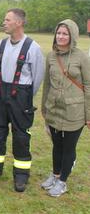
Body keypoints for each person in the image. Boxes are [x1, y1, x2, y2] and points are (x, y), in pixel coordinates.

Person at [0, 8, 44, 192]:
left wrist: (25, 98)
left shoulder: (33, 47)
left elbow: (37, 77)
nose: (4, 23)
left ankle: (21, 175)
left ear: (19, 23)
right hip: (1, 92)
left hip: (21, 96)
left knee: (21, 135)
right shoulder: (0, 45)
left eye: (7, 20)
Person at [40, 19, 90, 197]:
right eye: (59, 33)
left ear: (73, 36)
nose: (61, 37)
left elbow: (88, 85)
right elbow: (47, 84)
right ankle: (55, 175)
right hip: (54, 109)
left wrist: (88, 115)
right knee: (57, 146)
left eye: (65, 34)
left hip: (74, 111)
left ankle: (62, 182)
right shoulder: (51, 56)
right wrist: (44, 108)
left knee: (68, 148)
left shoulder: (81, 56)